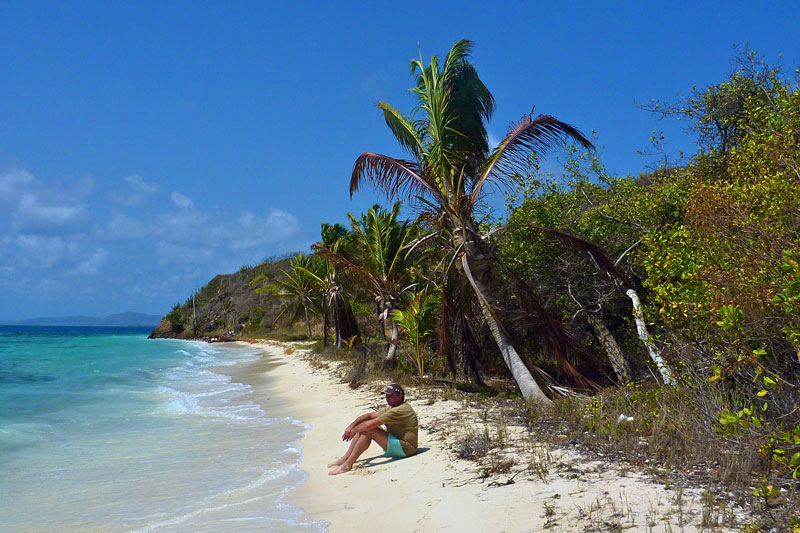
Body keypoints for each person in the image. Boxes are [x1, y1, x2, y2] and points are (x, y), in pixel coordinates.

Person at [328, 383, 418, 475]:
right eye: (386, 395)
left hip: (407, 449)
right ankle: (345, 458)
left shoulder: (400, 410)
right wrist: (351, 426)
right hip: (399, 443)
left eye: (390, 396)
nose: (387, 398)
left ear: (400, 396)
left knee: (368, 429)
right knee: (362, 427)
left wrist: (353, 431)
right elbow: (369, 416)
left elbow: (368, 426)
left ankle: (347, 465)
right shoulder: (392, 407)